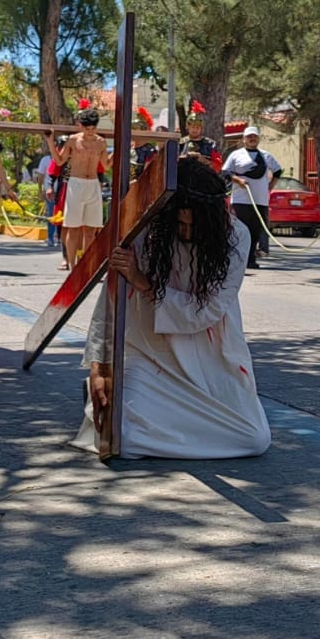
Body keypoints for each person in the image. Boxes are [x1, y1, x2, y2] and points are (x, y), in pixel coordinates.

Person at [73, 157, 269, 460]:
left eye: (194, 226)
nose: (187, 232)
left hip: (212, 356)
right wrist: (100, 367)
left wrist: (143, 283)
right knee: (121, 438)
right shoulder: (145, 230)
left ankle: (156, 420)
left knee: (253, 439)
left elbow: (208, 311)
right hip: (148, 352)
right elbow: (109, 300)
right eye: (180, 224)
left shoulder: (237, 236)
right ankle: (125, 402)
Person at [224, 125, 283, 271]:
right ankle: (238, 259)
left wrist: (270, 186)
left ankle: (251, 259)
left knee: (255, 231)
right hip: (241, 200)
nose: (252, 139)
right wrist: (238, 181)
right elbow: (225, 172)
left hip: (260, 201)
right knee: (240, 231)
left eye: (254, 136)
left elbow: (278, 171)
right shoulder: (236, 155)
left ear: (258, 139)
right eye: (249, 136)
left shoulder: (266, 156)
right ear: (244, 139)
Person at [57, 101, 107, 270]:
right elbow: (60, 161)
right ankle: (73, 267)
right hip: (76, 184)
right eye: (87, 128)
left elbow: (106, 165)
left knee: (91, 230)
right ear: (81, 126)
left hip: (93, 184)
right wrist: (49, 142)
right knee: (73, 228)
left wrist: (121, 148)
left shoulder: (101, 142)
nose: (90, 131)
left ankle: (87, 267)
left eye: (93, 128)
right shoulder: (73, 140)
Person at [179, 100, 222, 170]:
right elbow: (172, 162)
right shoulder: (180, 143)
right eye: (192, 127)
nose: (195, 130)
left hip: (204, 175)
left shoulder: (210, 144)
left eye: (197, 127)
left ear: (201, 128)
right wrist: (187, 156)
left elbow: (217, 166)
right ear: (187, 127)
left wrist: (202, 159)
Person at [38, 134, 60, 249]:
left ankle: (58, 237)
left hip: (61, 191)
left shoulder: (63, 159)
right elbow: (41, 176)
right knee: (51, 214)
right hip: (49, 191)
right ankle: (50, 237)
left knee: (60, 214)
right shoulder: (45, 160)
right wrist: (40, 189)